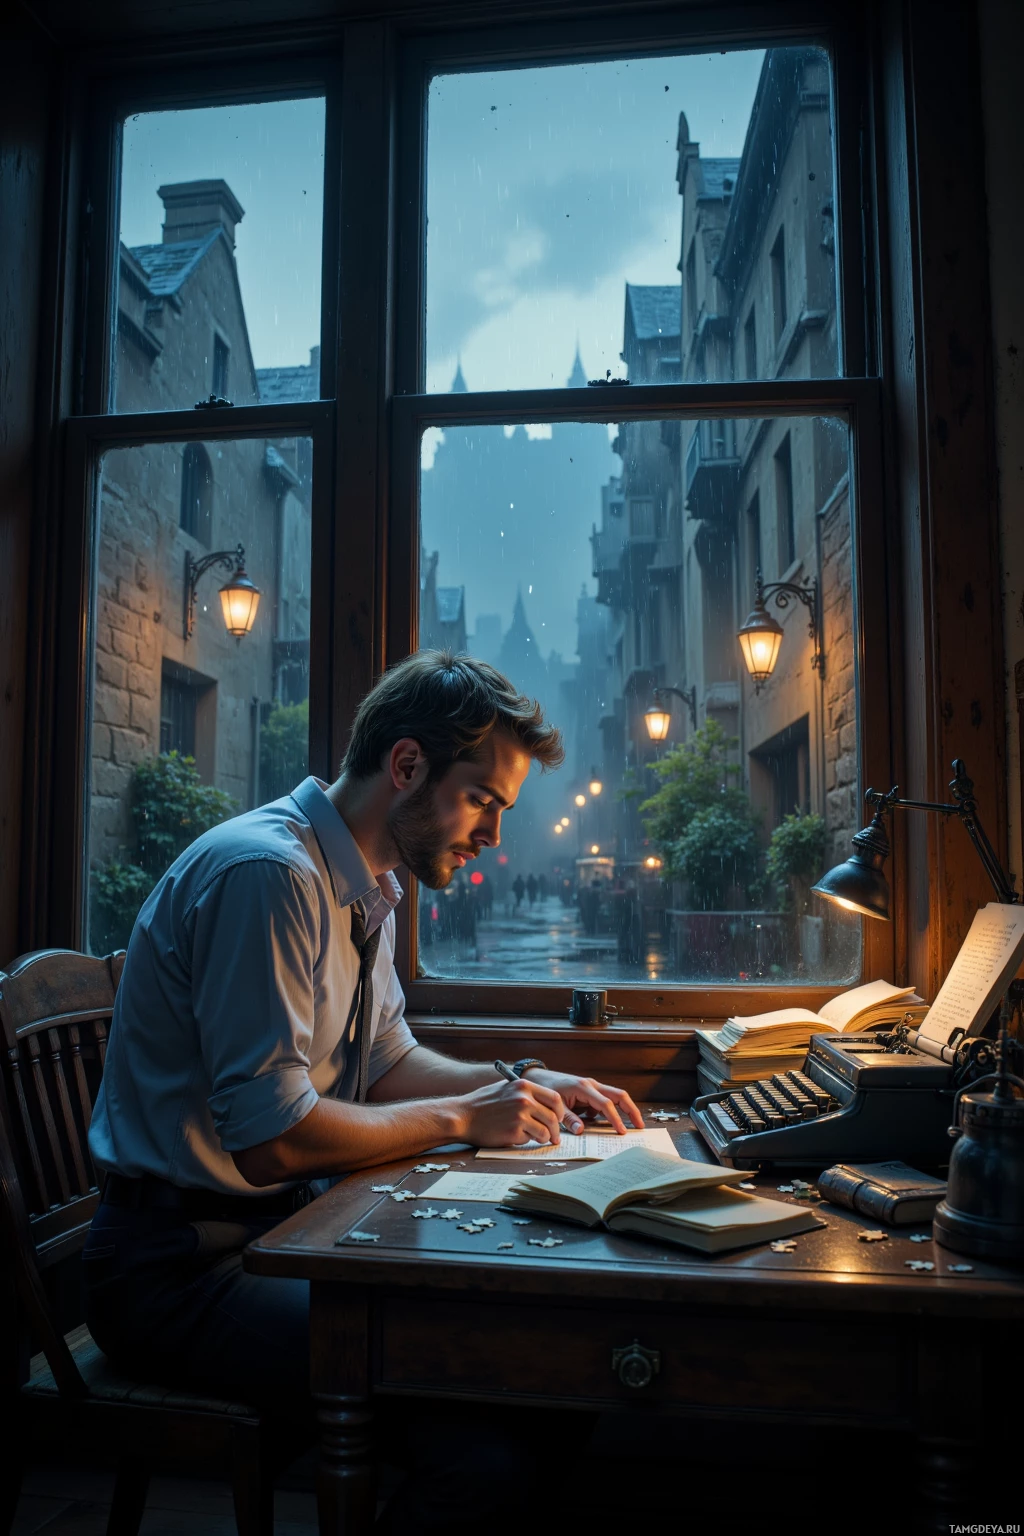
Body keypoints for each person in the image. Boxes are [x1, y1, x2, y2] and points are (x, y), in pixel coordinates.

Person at [84, 650, 642, 1533]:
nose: (494, 834)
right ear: (408, 765)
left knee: (554, 1374)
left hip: (272, 1235)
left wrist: (524, 1082)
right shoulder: (268, 875)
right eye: (484, 800)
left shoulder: (364, 884)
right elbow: (272, 1139)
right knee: (492, 1448)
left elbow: (386, 1059)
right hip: (172, 1270)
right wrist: (466, 1115)